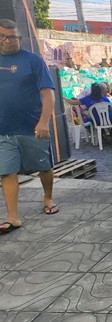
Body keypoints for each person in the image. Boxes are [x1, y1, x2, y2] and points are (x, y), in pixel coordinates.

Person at [0, 18, 57, 233]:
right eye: (3, 36)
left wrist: (43, 121)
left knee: (44, 166)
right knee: (6, 173)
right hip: (3, 130)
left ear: (19, 38)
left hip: (32, 128)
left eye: (12, 37)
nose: (7, 41)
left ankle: (48, 198)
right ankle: (13, 216)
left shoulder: (32, 61)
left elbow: (48, 93)